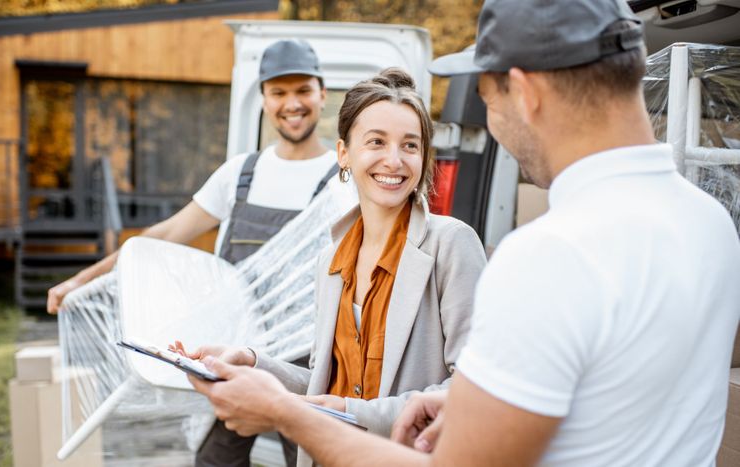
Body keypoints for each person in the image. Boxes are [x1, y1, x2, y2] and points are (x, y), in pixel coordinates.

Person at [187, 0, 740, 465]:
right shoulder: (711, 223)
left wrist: (285, 412)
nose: (491, 120)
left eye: (488, 97)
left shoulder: (549, 256)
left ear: (525, 92)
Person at [46, 39, 339, 467]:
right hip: (233, 354)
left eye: (302, 90)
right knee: (215, 462)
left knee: (311, 461)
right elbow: (162, 235)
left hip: (305, 363)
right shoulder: (241, 173)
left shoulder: (342, 181)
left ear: (322, 93)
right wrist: (81, 280)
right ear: (262, 98)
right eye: (279, 92)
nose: (291, 104)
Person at [174, 67, 486, 465]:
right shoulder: (331, 260)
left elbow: (472, 389)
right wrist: (253, 361)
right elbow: (325, 386)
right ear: (344, 153)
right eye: (376, 142)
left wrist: (349, 414)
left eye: (410, 145)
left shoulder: (451, 244)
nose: (394, 160)